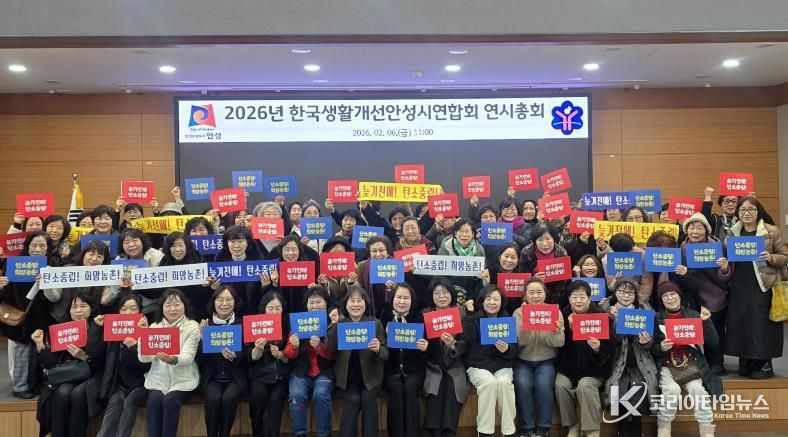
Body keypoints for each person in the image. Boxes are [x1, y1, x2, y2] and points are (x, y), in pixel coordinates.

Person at [726, 195, 787, 379]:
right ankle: (745, 360)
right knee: (741, 322)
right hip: (739, 284)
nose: (747, 213)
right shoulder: (733, 232)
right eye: (743, 210)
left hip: (763, 284)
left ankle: (763, 363)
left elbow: (785, 256)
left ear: (758, 211)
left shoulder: (771, 231)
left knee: (761, 325)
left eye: (751, 209)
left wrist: (771, 257)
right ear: (738, 213)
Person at [652, 281, 721, 437]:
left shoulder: (693, 314)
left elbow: (714, 342)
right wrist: (661, 347)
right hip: (667, 365)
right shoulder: (656, 318)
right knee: (672, 390)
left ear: (679, 296)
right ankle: (663, 431)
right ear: (661, 300)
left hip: (690, 363)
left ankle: (707, 431)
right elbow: (651, 349)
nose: (670, 298)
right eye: (665, 296)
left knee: (697, 389)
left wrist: (706, 322)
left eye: (673, 294)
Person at [33, 292, 105, 437]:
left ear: (91, 309)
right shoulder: (62, 330)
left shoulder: (98, 327)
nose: (78, 310)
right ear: (69, 310)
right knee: (62, 392)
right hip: (68, 376)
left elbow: (103, 363)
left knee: (78, 394)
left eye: (83, 306)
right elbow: (52, 364)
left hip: (92, 375)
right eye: (74, 307)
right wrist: (40, 345)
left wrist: (83, 356)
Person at [0, 230, 57, 398]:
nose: (38, 249)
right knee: (22, 352)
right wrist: (1, 285)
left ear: (48, 248)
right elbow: (5, 295)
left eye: (42, 245)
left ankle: (36, 384)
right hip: (20, 315)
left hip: (42, 316)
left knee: (38, 350)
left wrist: (47, 282)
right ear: (27, 246)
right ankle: (20, 387)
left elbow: (55, 297)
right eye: (34, 245)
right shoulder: (14, 263)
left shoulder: (51, 265)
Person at [327, 286, 389, 437]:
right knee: (352, 400)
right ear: (346, 304)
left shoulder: (375, 323)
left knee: (369, 401)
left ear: (365, 303)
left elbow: (386, 354)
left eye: (359, 301)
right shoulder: (340, 324)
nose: (356, 304)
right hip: (347, 380)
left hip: (371, 379)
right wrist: (334, 324)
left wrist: (378, 349)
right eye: (352, 301)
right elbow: (331, 347)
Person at [138, 288, 201, 437]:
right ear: (161, 308)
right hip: (158, 380)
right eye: (168, 305)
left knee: (169, 401)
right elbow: (144, 359)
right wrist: (143, 336)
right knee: (154, 401)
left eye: (177, 304)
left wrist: (173, 359)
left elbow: (188, 357)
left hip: (183, 380)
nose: (172, 309)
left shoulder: (192, 327)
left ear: (184, 306)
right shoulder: (154, 327)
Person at [555, 281, 614, 437]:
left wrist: (598, 348)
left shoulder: (600, 316)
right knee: (560, 385)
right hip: (569, 367)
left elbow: (611, 348)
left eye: (582, 296)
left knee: (585, 385)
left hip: (594, 368)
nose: (578, 300)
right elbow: (558, 346)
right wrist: (563, 330)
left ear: (589, 298)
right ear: (569, 299)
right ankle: (573, 426)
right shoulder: (562, 315)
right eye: (574, 297)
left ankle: (591, 430)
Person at [602, 277, 659, 437]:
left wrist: (645, 342)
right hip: (616, 363)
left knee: (638, 389)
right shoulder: (606, 312)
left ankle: (636, 432)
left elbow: (653, 342)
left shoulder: (646, 312)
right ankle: (622, 431)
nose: (625, 295)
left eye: (630, 292)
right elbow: (610, 342)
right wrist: (613, 320)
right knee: (618, 390)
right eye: (622, 291)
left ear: (635, 295)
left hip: (640, 363)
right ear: (615, 292)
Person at [677, 213, 731, 374]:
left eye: (699, 228)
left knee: (714, 331)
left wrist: (724, 269)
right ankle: (698, 363)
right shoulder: (683, 247)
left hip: (713, 295)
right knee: (693, 330)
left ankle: (717, 363)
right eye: (691, 227)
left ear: (706, 230)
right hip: (691, 295)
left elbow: (724, 278)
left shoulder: (716, 246)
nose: (695, 232)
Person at [463, 285, 517, 437]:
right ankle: (484, 432)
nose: (492, 302)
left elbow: (515, 351)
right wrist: (470, 314)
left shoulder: (507, 320)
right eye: (488, 299)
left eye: (496, 299)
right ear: (482, 301)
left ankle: (509, 431)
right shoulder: (473, 318)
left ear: (502, 302)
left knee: (504, 383)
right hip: (478, 366)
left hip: (502, 366)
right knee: (489, 383)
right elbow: (468, 339)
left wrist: (507, 349)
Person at [512, 278, 564, 437]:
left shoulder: (554, 311)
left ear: (545, 294)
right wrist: (525, 323)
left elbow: (559, 343)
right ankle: (526, 428)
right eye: (531, 292)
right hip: (523, 360)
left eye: (539, 292)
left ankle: (543, 428)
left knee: (543, 385)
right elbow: (519, 341)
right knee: (522, 385)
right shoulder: (518, 312)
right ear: (525, 295)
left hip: (546, 359)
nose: (536, 296)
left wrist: (555, 331)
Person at [283, 287, 336, 437]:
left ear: (326, 303)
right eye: (311, 302)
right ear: (306, 305)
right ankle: (299, 434)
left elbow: (337, 355)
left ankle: (324, 434)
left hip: (324, 372)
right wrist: (294, 346)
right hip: (301, 372)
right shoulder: (299, 322)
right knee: (296, 395)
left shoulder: (332, 323)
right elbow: (288, 354)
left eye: (319, 302)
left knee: (320, 394)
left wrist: (320, 348)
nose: (315, 306)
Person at [95, 293, 150, 437]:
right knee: (115, 402)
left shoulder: (147, 330)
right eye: (123, 309)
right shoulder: (112, 330)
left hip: (142, 384)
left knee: (130, 401)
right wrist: (97, 328)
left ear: (140, 311)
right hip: (119, 385)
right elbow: (95, 353)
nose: (128, 313)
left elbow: (148, 366)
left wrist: (137, 346)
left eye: (133, 309)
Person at [422, 277, 469, 437]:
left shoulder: (461, 313)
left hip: (455, 364)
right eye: (437, 293)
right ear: (431, 295)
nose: (441, 296)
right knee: (437, 384)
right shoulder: (425, 314)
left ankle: (449, 432)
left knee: (451, 385)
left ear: (452, 294)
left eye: (445, 292)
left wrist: (453, 344)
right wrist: (425, 347)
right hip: (433, 364)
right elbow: (421, 343)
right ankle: (436, 432)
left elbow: (467, 343)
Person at [199, 286, 247, 437]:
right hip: (212, 377)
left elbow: (247, 355)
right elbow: (199, 360)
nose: (224, 303)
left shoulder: (241, 323)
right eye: (220, 299)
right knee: (213, 399)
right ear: (213, 302)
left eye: (229, 299)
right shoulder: (206, 324)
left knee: (229, 398)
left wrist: (235, 356)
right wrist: (202, 339)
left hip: (235, 377)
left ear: (235, 302)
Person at [381, 283, 428, 437]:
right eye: (398, 297)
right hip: (391, 369)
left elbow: (428, 352)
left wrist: (424, 348)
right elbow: (380, 349)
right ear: (392, 299)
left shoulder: (419, 319)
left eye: (406, 298)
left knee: (410, 388)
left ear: (412, 300)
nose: (402, 301)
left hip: (414, 369)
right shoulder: (384, 317)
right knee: (396, 389)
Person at [248, 291, 292, 437]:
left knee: (276, 400)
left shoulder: (288, 324)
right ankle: (257, 432)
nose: (274, 312)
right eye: (270, 308)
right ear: (264, 308)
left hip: (281, 376)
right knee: (257, 395)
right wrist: (258, 349)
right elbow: (250, 357)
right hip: (259, 375)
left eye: (278, 308)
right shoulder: (254, 325)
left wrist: (281, 354)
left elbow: (292, 357)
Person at [160, 232, 216, 321]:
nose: (177, 249)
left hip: (197, 308)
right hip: (173, 310)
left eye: (181, 245)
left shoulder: (198, 258)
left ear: (187, 246)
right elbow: (159, 290)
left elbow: (207, 292)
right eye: (173, 246)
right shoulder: (165, 261)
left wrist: (205, 286)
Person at [519, 222, 570, 306]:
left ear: (554, 238)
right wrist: (533, 279)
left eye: (548, 238)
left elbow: (564, 281)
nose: (545, 244)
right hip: (533, 295)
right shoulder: (526, 252)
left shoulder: (561, 252)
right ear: (534, 241)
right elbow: (522, 277)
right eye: (540, 240)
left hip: (555, 294)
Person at [348, 236, 397, 317]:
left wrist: (395, 288)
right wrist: (352, 282)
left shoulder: (396, 264)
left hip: (392, 309)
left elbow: (403, 288)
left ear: (387, 251)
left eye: (381, 250)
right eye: (374, 251)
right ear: (369, 252)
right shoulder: (362, 266)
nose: (378, 254)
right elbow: (360, 289)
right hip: (370, 309)